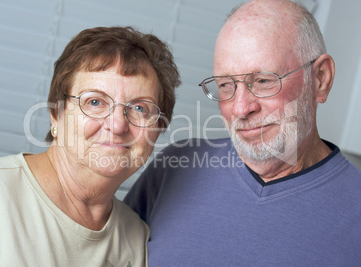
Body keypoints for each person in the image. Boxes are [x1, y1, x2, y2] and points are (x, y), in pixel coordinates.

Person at [124, 0, 361, 265]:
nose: (240, 108)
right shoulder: (176, 167)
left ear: (320, 79)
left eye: (262, 80)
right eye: (226, 85)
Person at [0, 26, 180, 266]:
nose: (117, 125)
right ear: (57, 114)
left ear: (157, 130)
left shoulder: (137, 238)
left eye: (140, 108)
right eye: (95, 101)